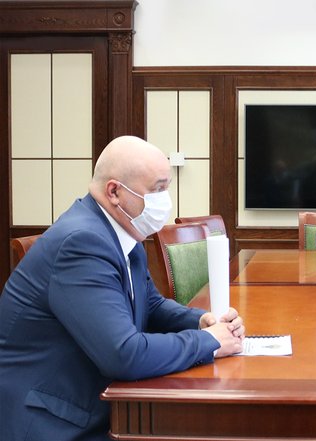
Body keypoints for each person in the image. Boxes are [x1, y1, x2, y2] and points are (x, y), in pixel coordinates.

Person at [0, 136, 245, 441]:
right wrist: (208, 341)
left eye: (166, 188)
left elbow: (151, 304)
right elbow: (124, 355)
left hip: (97, 401)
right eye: (157, 189)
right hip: (54, 421)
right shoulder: (82, 243)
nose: (165, 200)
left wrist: (200, 321)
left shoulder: (123, 232)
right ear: (114, 191)